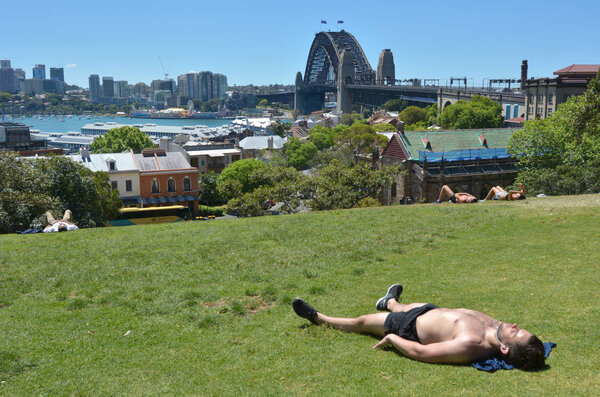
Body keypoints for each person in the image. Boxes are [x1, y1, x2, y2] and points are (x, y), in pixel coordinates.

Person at [292, 284, 546, 370]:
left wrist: (393, 339)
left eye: (517, 332)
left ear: (504, 349)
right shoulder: (496, 327)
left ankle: (318, 318)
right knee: (401, 305)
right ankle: (390, 301)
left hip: (407, 327)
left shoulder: (472, 345)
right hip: (429, 311)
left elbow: (422, 353)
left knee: (361, 322)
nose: (514, 325)